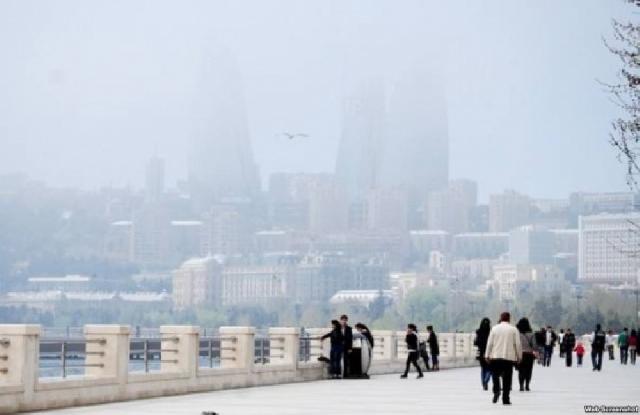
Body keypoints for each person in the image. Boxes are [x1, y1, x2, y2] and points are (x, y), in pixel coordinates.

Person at [485, 312, 522, 406]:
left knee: (495, 376)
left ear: (500, 318)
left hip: (496, 356)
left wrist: (487, 355)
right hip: (508, 358)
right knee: (507, 379)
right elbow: (517, 344)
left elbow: (489, 343)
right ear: (509, 319)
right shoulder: (513, 329)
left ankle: (496, 390)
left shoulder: (494, 328)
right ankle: (506, 399)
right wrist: (519, 357)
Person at [516, 317, 535, 392]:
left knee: (521, 370)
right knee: (529, 370)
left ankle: (521, 385)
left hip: (520, 355)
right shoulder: (531, 334)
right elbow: (534, 345)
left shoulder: (517, 334)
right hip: (529, 355)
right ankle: (527, 385)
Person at [474, 317, 492, 390]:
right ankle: (486, 381)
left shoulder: (478, 332)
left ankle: (483, 383)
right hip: (489, 353)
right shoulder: (491, 332)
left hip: (481, 353)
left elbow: (476, 343)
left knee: (483, 368)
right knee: (489, 368)